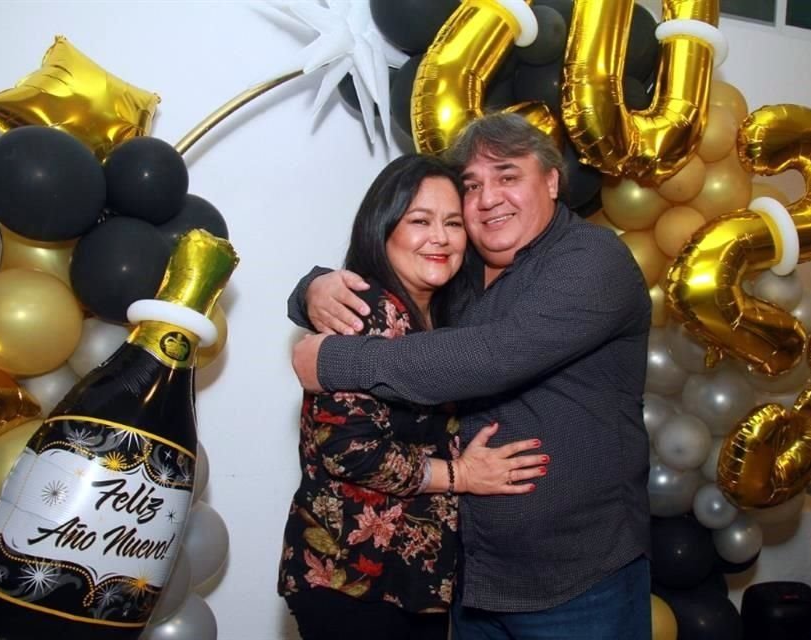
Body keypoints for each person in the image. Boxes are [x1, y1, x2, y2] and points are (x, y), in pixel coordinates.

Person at [291, 114, 653, 639]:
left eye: (507, 176)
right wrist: (312, 288)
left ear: (552, 181)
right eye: (473, 185)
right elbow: (388, 276)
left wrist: (334, 361)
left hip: (578, 581)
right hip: (469, 582)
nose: (487, 199)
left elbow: (495, 355)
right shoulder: (460, 274)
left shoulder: (593, 260)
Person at [278, 153, 549, 640]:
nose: (440, 238)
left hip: (414, 581)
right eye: (420, 221)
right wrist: (462, 475)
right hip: (352, 579)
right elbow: (350, 450)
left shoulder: (445, 316)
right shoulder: (365, 309)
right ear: (382, 229)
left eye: (453, 223)